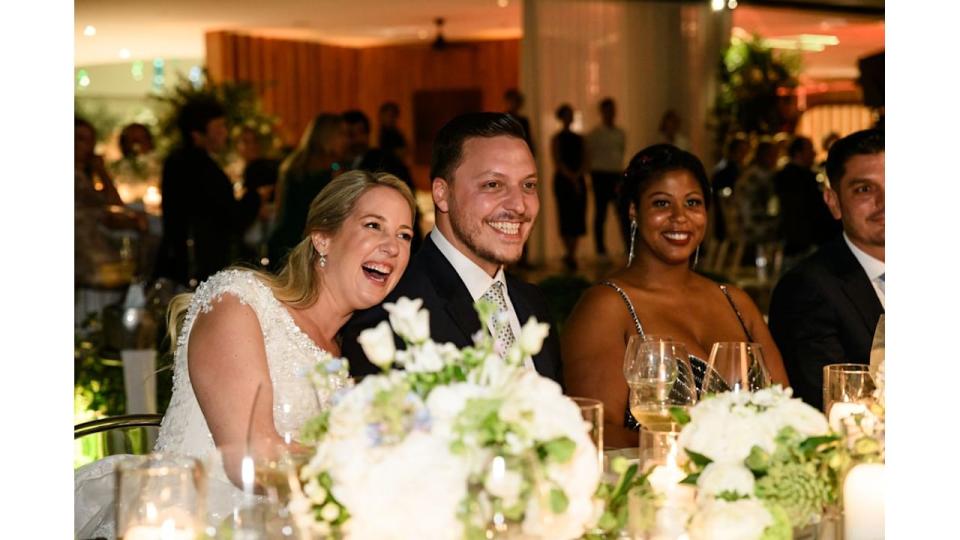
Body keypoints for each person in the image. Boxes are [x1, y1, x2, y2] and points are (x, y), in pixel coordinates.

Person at [75, 170, 416, 537]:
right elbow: (251, 458)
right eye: (373, 225)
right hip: (190, 520)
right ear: (322, 238)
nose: (392, 246)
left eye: (404, 234)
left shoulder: (346, 358)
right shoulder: (241, 301)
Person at [561, 144, 789, 448]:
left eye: (692, 203)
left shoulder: (735, 301)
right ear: (633, 210)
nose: (680, 217)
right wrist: (695, 448)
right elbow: (595, 431)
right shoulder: (606, 306)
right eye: (661, 204)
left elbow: (786, 410)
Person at [341, 112, 563, 385]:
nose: (519, 205)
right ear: (442, 194)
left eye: (528, 185)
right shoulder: (392, 317)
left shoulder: (532, 304)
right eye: (493, 185)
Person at [768, 129, 884, 411]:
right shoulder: (807, 290)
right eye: (865, 189)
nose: (885, 203)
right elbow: (828, 408)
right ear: (833, 202)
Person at [155, 98, 262, 289]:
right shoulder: (200, 167)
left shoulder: (177, 161)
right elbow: (232, 217)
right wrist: (254, 194)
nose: (225, 133)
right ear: (197, 134)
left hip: (185, 261)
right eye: (219, 127)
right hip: (202, 263)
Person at [268, 114, 346, 268]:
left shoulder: (292, 164)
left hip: (284, 238)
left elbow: (280, 206)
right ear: (329, 136)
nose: (344, 139)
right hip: (311, 243)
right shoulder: (333, 168)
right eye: (341, 134)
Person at [342, 109, 422, 253]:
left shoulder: (380, 163)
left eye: (355, 134)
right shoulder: (339, 166)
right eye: (347, 135)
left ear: (366, 135)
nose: (351, 140)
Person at [773, 136, 840, 264]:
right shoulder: (797, 177)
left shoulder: (790, 175)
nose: (814, 153)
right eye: (810, 149)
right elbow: (811, 208)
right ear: (798, 153)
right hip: (804, 233)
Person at [586, 97, 628, 257]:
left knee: (621, 212)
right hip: (600, 175)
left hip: (616, 174)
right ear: (602, 112)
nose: (611, 113)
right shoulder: (595, 134)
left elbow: (620, 153)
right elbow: (589, 156)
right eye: (607, 109)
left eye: (613, 109)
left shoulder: (620, 133)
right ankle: (600, 249)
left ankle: (627, 246)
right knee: (600, 213)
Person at [551, 104, 589, 270]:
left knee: (578, 216)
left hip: (578, 179)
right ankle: (569, 252)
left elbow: (586, 159)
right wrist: (571, 176)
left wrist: (578, 175)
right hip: (563, 181)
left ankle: (572, 253)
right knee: (565, 216)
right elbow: (557, 160)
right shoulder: (557, 138)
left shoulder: (580, 138)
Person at [710, 135, 750, 242]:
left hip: (741, 213)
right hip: (727, 213)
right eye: (741, 150)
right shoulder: (724, 170)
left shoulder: (744, 170)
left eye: (746, 151)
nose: (743, 154)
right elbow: (719, 191)